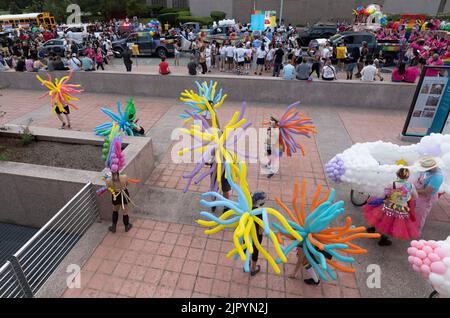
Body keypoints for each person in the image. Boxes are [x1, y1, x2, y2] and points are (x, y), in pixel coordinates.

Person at [364, 168, 419, 246]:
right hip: (401, 208)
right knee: (390, 224)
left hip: (389, 204)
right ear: (408, 176)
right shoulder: (411, 186)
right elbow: (415, 196)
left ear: (397, 174)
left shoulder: (391, 183)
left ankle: (372, 229)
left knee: (378, 217)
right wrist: (405, 198)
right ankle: (383, 240)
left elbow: (384, 195)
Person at [414, 157, 444, 234]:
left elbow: (427, 191)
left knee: (420, 215)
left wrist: (412, 191)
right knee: (415, 212)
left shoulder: (437, 177)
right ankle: (412, 228)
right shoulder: (428, 171)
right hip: (418, 195)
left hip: (426, 198)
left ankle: (416, 232)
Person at [243, 191, 267, 276]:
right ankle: (253, 268)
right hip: (256, 236)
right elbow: (261, 230)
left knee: (245, 247)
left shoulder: (246, 209)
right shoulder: (261, 213)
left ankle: (246, 263)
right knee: (255, 250)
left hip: (246, 233)